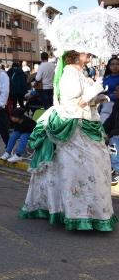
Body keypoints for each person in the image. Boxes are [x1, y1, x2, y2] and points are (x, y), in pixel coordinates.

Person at [20, 50, 116, 231]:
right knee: (77, 169)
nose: (89, 55)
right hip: (74, 128)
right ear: (74, 56)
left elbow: (87, 101)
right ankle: (77, 214)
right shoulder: (68, 74)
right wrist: (93, 91)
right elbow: (73, 103)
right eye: (84, 53)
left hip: (88, 124)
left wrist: (100, 97)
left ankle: (92, 212)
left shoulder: (81, 72)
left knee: (94, 167)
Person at [100, 57, 119, 123]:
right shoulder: (105, 78)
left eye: (117, 64)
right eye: (112, 64)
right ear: (109, 66)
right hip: (105, 105)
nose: (115, 66)